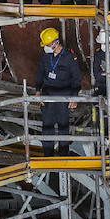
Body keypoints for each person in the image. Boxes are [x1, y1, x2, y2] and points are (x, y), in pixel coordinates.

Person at [34, 28, 82, 156]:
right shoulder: (45, 56)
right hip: (48, 95)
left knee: (63, 126)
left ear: (55, 43)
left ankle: (63, 154)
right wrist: (38, 90)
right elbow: (40, 73)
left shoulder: (70, 57)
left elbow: (76, 78)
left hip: (63, 96)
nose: (46, 47)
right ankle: (47, 154)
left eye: (47, 45)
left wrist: (74, 98)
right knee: (47, 126)